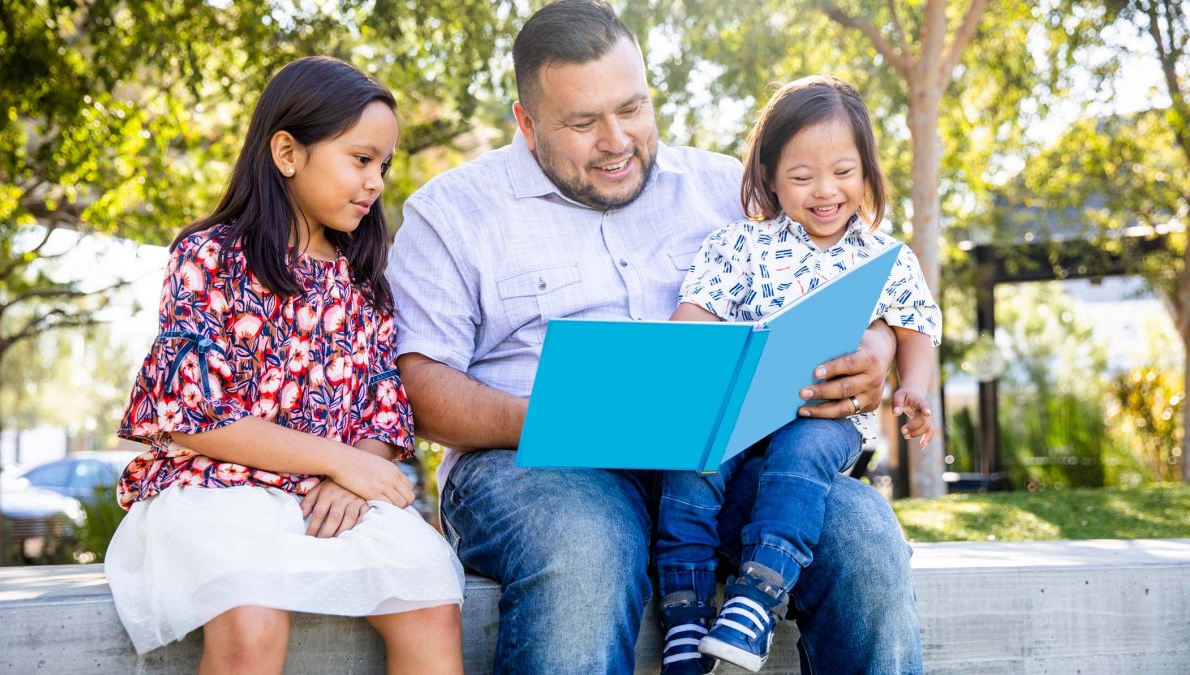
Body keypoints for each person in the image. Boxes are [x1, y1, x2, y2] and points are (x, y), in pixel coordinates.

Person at [387, 1, 923, 673]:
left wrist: (873, 352)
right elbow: (422, 388)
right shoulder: (453, 212)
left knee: (865, 536)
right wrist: (568, 417)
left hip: (719, 462)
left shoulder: (729, 187)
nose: (617, 140)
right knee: (586, 547)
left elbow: (844, 266)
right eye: (583, 123)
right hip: (534, 466)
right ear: (526, 124)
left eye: (633, 109)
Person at [106, 56, 464, 674]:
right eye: (360, 159)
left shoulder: (362, 277)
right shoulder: (208, 256)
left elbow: (383, 414)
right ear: (287, 152)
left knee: (428, 594)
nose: (376, 181)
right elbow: (194, 416)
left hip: (327, 493)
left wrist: (350, 475)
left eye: (383, 164)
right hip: (213, 488)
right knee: (252, 615)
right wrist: (339, 460)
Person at [656, 75, 941, 673]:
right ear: (769, 175)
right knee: (691, 461)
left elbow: (917, 332)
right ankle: (684, 613)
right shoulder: (738, 246)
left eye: (843, 172)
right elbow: (692, 320)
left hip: (822, 417)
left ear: (867, 171)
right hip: (739, 410)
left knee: (800, 455)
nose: (825, 191)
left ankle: (755, 601)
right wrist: (686, 349)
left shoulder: (884, 258)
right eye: (801, 177)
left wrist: (912, 388)